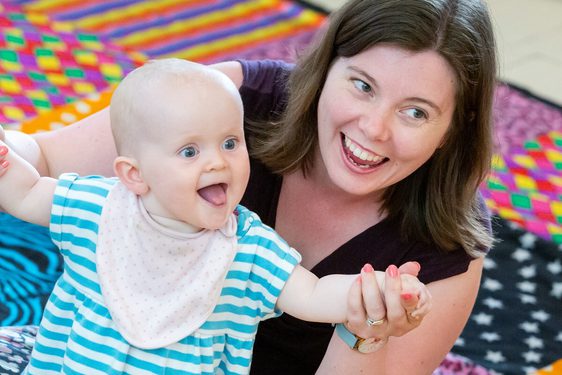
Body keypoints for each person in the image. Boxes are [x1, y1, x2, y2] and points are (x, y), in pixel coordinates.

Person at [0, 0, 497, 373]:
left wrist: (367, 329)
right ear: (325, 70)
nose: (374, 129)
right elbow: (40, 159)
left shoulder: (448, 246)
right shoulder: (228, 108)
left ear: (454, 126)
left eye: (415, 112)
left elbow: (322, 296)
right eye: (362, 85)